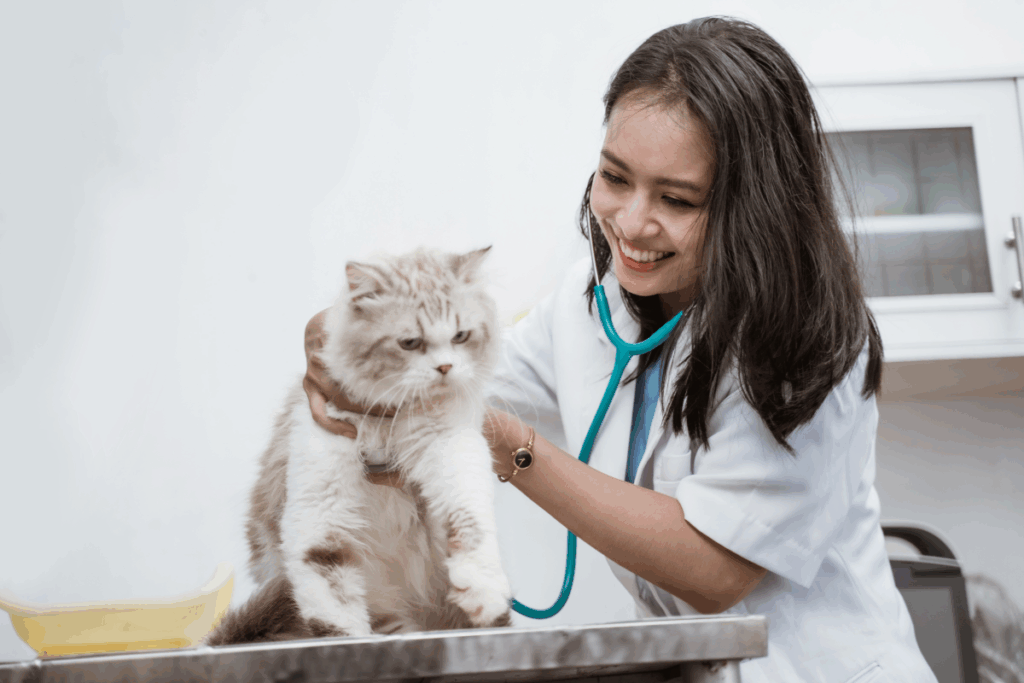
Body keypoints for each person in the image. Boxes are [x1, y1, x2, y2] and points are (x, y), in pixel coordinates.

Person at [303, 17, 938, 682]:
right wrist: (345, 340)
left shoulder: (811, 338)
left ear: (753, 204)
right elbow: (453, 382)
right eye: (615, 176)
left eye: (678, 198)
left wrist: (512, 448)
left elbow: (712, 570)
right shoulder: (589, 306)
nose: (632, 223)